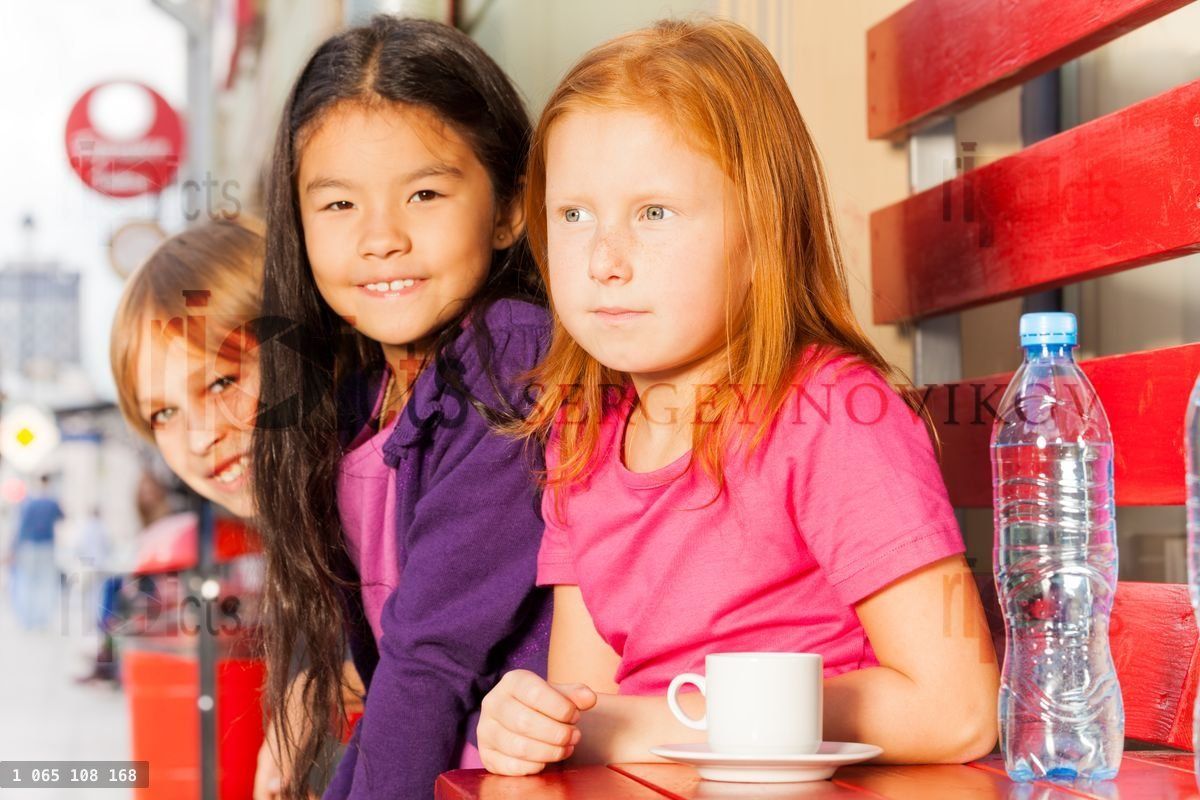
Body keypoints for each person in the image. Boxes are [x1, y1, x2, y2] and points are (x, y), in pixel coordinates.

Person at [476, 18, 1000, 775]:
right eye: (574, 214)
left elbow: (956, 711)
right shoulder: (581, 437)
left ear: (762, 236)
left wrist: (670, 724)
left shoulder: (834, 417)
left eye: (653, 214)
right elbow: (587, 708)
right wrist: (530, 725)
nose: (603, 259)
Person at [251, 16, 551, 799]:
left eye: (423, 193)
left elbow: (430, 659)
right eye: (339, 205)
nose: (380, 238)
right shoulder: (361, 398)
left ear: (510, 209)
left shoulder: (510, 361)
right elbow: (394, 686)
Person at [109, 218, 363, 799]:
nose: (199, 437)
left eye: (222, 382)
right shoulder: (302, 533)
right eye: (164, 415)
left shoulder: (376, 497)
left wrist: (330, 687)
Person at [7, 474, 63, 631]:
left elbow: (20, 528)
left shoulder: (28, 502)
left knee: (27, 583)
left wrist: (12, 549)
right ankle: (41, 619)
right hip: (46, 546)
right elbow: (62, 517)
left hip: (28, 547)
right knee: (45, 584)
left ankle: (28, 619)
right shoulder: (52, 502)